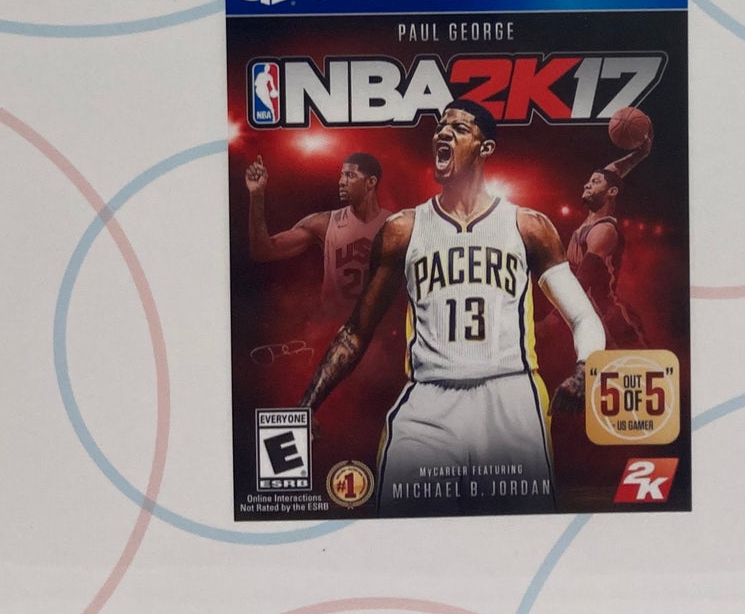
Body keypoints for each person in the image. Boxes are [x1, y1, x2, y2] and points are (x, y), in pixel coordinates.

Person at [299, 100, 605, 515]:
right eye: (440, 126)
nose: (443, 132)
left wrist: (586, 369)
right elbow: (357, 329)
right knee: (402, 532)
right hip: (428, 399)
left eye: (459, 129)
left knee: (520, 537)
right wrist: (307, 404)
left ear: (485, 148)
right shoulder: (402, 230)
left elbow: (583, 315)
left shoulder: (528, 226)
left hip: (510, 397)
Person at [245, 150, 384, 317]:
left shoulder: (396, 226)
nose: (341, 182)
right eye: (341, 175)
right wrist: (257, 194)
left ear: (371, 182)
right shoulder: (323, 223)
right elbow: (263, 251)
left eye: (350, 175)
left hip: (382, 327)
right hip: (333, 326)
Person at [564, 122, 654, 351]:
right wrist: (641, 153)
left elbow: (581, 284)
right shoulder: (586, 225)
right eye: (588, 180)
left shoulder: (603, 230)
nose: (587, 184)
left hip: (614, 322)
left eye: (595, 182)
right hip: (591, 321)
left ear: (612, 192)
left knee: (640, 369)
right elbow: (611, 173)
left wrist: (549, 323)